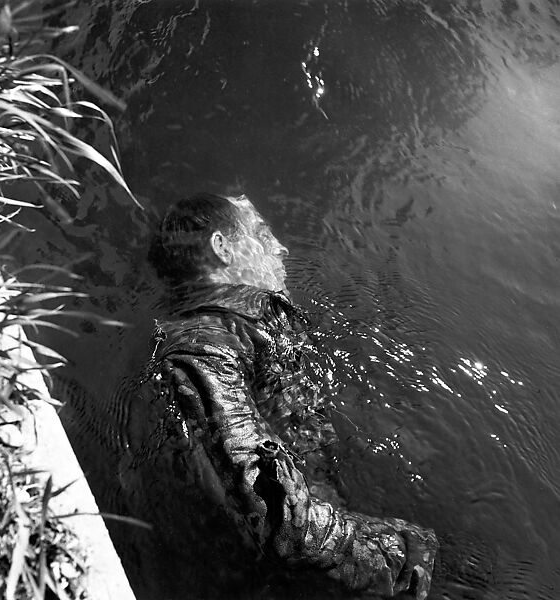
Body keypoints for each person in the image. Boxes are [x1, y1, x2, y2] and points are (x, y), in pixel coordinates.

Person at [119, 193, 438, 599]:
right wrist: (401, 557)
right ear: (222, 248)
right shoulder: (204, 348)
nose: (279, 247)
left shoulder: (241, 329)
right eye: (262, 233)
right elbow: (284, 526)